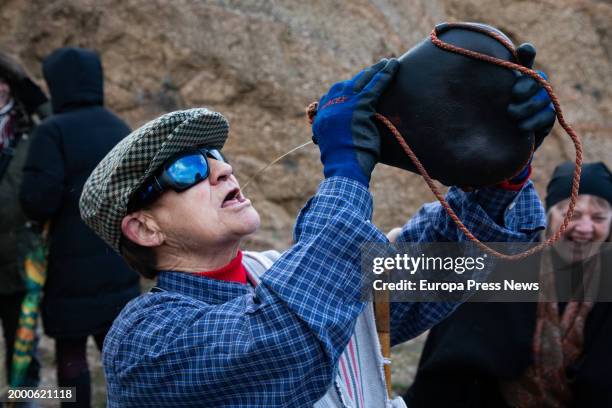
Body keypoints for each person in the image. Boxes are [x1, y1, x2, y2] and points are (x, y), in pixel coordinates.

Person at [79, 49, 554, 406]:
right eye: (187, 171)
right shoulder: (141, 341)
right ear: (143, 229)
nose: (221, 171)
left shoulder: (291, 275)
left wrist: (500, 168)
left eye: (216, 158)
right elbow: (283, 342)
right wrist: (346, 170)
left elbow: (450, 266)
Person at [404, 162, 612, 407]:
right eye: (571, 215)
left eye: (598, 217)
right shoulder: (506, 266)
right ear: (549, 215)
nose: (585, 228)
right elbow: (454, 366)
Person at [18, 47, 140, 407]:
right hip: (119, 259)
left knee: (71, 358)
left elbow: (38, 200)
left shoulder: (52, 132)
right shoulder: (118, 127)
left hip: (66, 270)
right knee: (121, 355)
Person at [0, 52, 50, 391]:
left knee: (21, 350)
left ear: (6, 86)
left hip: (19, 261)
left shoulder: (31, 129)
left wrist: (34, 94)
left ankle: (23, 399)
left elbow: (64, 127)